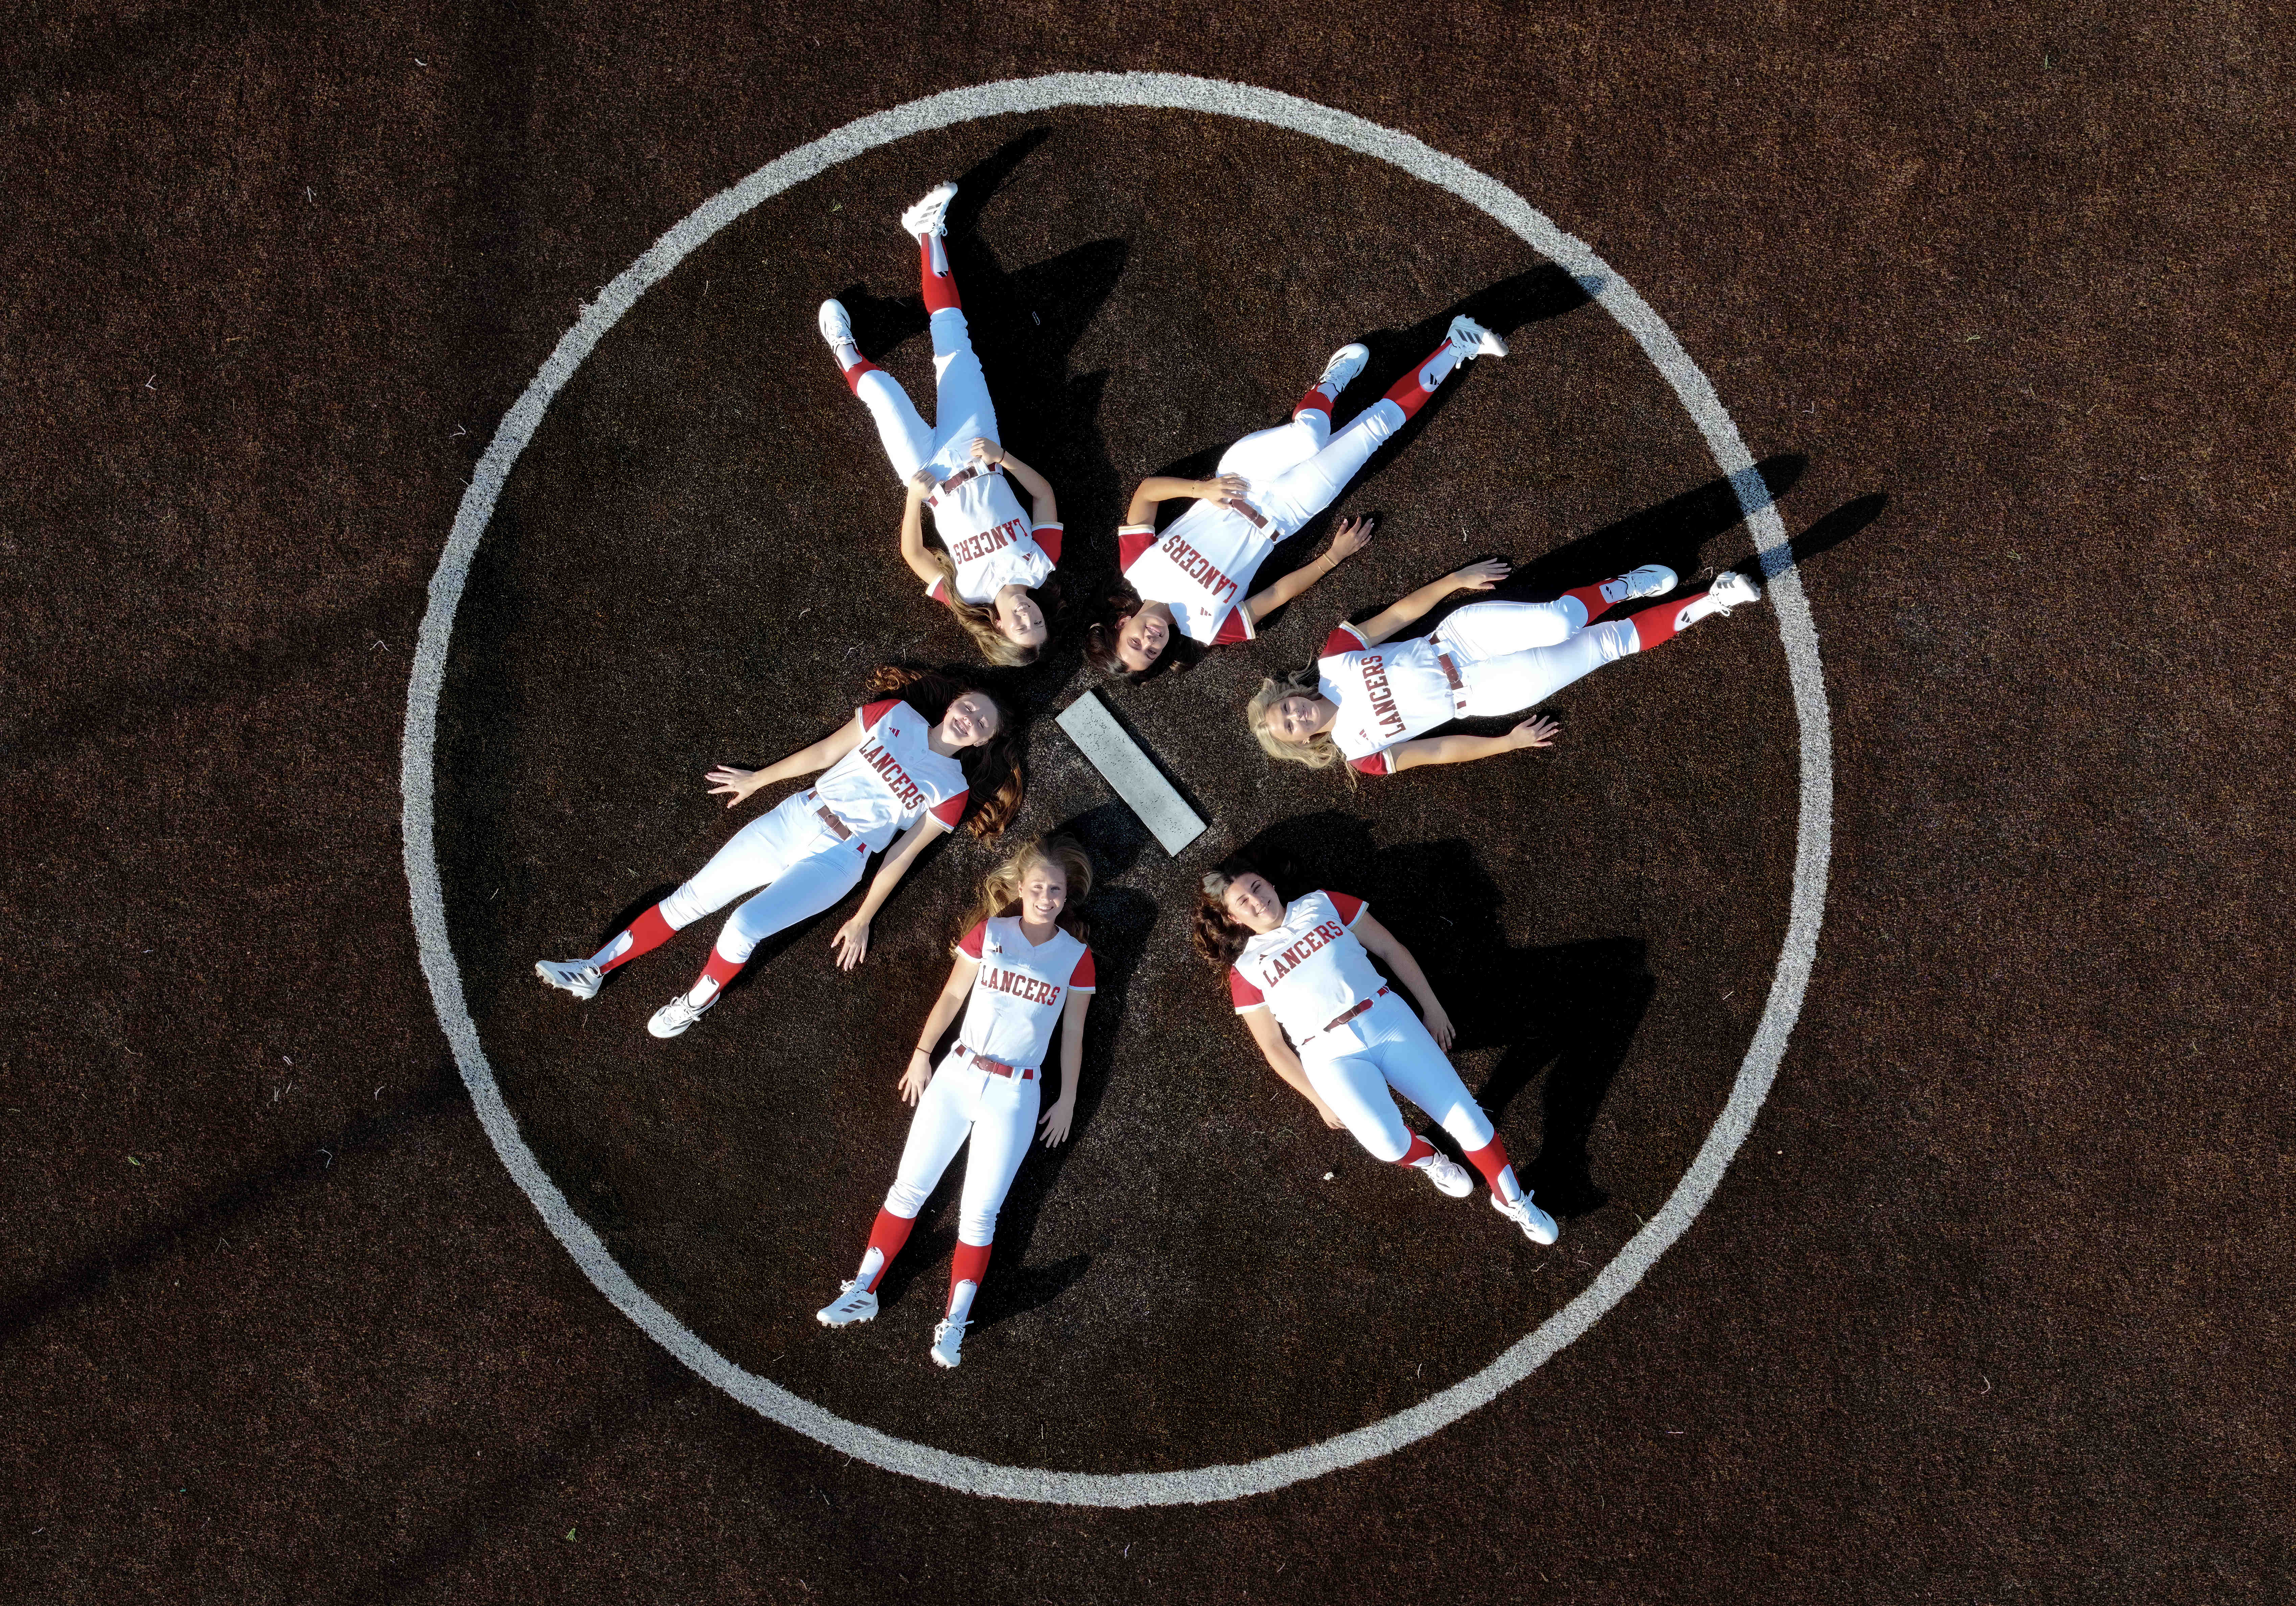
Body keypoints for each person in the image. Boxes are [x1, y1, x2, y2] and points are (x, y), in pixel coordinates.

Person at [532, 668, 1024, 1040]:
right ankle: (593, 970)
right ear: (953, 703)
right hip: (796, 816)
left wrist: (864, 917)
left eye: (981, 722)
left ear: (984, 740)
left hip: (841, 859)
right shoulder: (894, 714)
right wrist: (757, 779)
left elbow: (902, 855)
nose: (970, 719)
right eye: (969, 707)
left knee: (743, 927)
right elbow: (824, 753)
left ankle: (696, 1002)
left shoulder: (951, 791)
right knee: (689, 899)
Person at [1085, 314, 1508, 678]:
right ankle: (1457, 343)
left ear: (1122, 623)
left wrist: (1201, 489)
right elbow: (1274, 595)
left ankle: (1331, 382)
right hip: (1285, 516)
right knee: (1377, 428)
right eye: (1151, 653)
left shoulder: (1136, 567)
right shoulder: (1209, 630)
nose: (1150, 642)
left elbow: (1147, 493)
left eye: (1135, 642)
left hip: (1239, 479)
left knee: (1310, 435)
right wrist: (1333, 557)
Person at [814, 835, 1098, 1369]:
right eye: (1039, 887)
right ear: (1021, 887)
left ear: (1067, 895)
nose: (1047, 897)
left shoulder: (1077, 958)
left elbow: (1074, 1035)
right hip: (957, 1074)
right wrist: (922, 1054)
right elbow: (951, 995)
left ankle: (954, 1325)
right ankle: (864, 1290)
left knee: (980, 1214)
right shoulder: (990, 933)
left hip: (1017, 1092)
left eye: (1056, 890)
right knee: (908, 1188)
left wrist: (1068, 1099)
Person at [1191, 863, 1559, 1244]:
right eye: (1243, 901)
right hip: (1327, 1054)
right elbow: (1272, 1045)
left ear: (1270, 882)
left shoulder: (1322, 903)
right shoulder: (1245, 971)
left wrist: (1432, 1007)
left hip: (1385, 1018)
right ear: (1233, 917)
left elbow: (1389, 948)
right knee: (1387, 1146)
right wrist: (1317, 1098)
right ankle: (1430, 1159)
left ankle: (1511, 1199)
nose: (1256, 900)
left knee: (1470, 1121)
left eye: (1256, 886)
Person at [817, 180, 1063, 666]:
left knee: (881, 391)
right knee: (954, 342)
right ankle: (927, 231)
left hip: (928, 477)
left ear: (999, 628)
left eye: (1021, 627)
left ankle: (842, 346)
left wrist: (913, 497)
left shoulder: (966, 595)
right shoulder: (1042, 564)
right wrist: (1004, 458)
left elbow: (915, 555)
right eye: (1038, 622)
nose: (1028, 617)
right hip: (981, 450)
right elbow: (1044, 495)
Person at [1248, 558, 1763, 776]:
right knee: (1608, 646)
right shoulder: (1362, 755)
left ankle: (1621, 587)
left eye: (1285, 709)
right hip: (1482, 694)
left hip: (1458, 638)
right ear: (1301, 743)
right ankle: (1714, 599)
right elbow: (1438, 750)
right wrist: (1506, 743)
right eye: (1289, 727)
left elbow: (1400, 616)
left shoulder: (1334, 657)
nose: (1294, 716)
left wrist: (1455, 580)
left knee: (1562, 620)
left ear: (1291, 694)